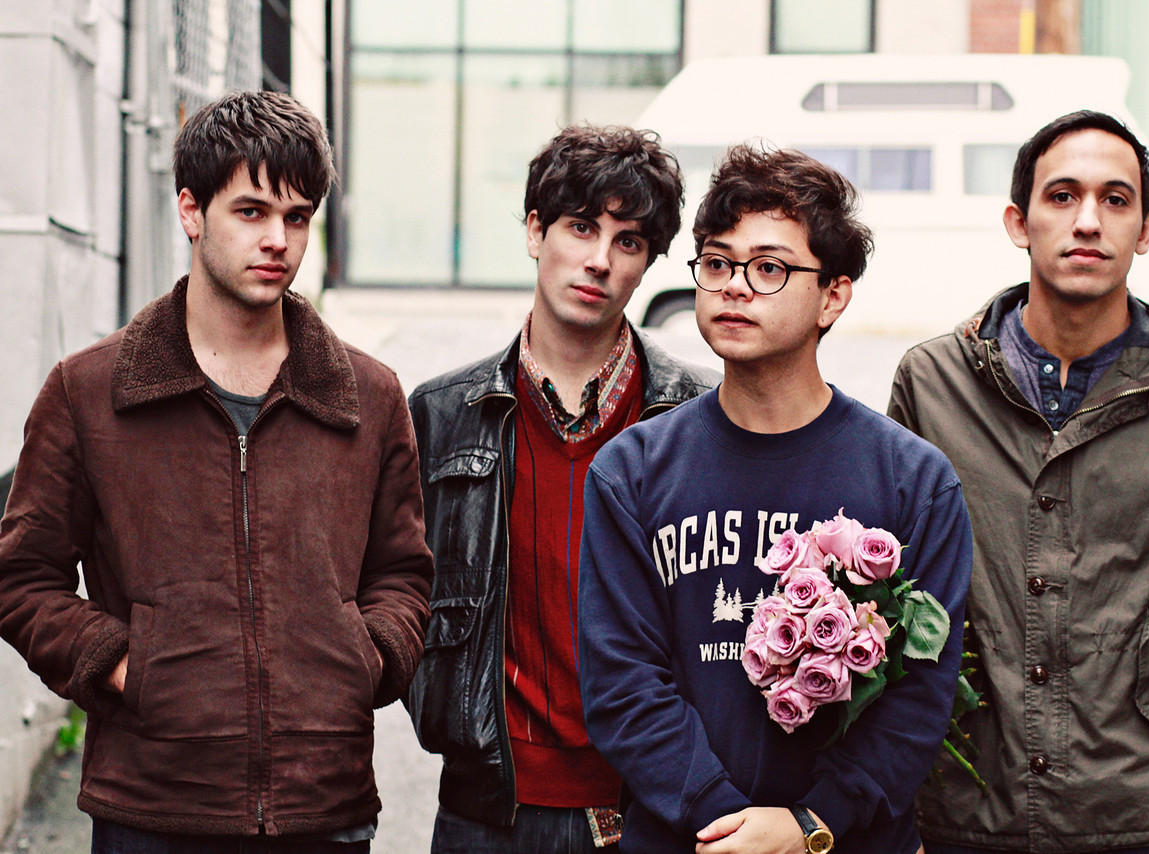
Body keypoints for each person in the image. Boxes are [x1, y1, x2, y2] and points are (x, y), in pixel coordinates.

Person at [0, 90, 434, 853]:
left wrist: (363, 662)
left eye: (297, 218)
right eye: (251, 212)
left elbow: (403, 573)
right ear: (191, 210)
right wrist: (125, 665)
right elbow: (23, 578)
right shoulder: (89, 391)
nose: (277, 241)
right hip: (152, 806)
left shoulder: (367, 395)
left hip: (321, 804)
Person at [888, 110, 1149, 854]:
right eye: (1062, 196)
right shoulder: (931, 383)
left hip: (1142, 814)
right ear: (1019, 221)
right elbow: (896, 604)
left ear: (1146, 229)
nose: (1088, 221)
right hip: (964, 811)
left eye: (1115, 199)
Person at [576, 143, 973, 853]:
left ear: (834, 295)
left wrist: (810, 825)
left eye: (769, 268)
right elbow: (622, 683)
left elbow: (921, 697)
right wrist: (726, 823)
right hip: (687, 841)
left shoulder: (912, 481)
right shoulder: (632, 472)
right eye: (717, 263)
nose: (734, 287)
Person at [401, 124, 718, 852]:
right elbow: (397, 588)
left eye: (628, 241)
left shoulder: (698, 415)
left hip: (654, 808)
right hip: (486, 810)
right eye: (580, 227)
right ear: (535, 231)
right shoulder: (442, 414)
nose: (599, 260)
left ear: (648, 263)